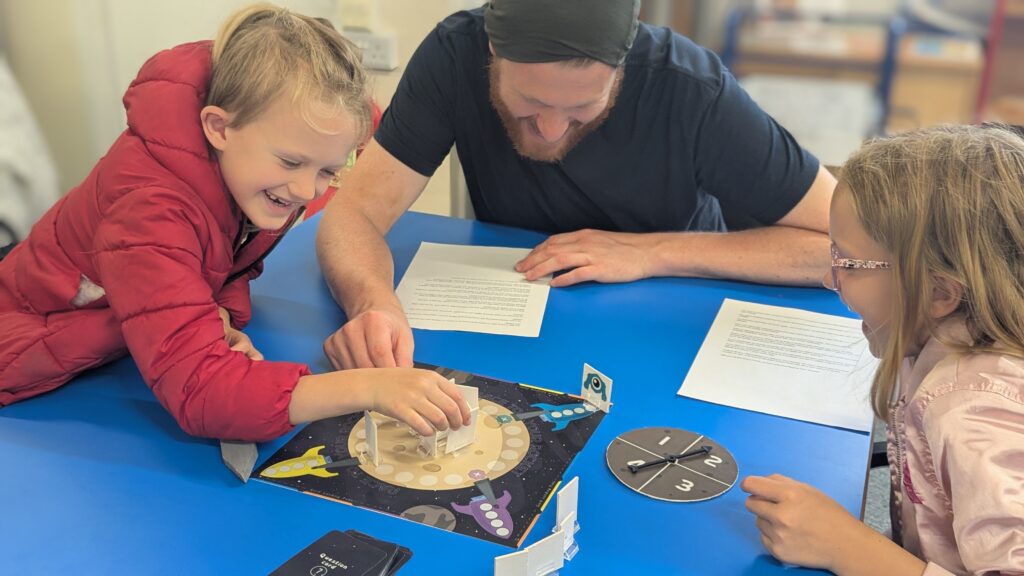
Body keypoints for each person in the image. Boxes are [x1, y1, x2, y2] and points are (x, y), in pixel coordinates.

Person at [0, 4, 470, 442]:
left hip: (113, 342)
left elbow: (219, 255)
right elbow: (202, 394)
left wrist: (217, 313)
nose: (308, 191)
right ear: (219, 127)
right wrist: (370, 387)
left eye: (328, 171)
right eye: (291, 162)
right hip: (25, 357)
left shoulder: (257, 170)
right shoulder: (148, 210)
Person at [315, 0, 836, 370]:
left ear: (622, 65)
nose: (550, 131)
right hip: (515, 316)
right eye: (530, 104)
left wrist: (650, 253)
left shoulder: (693, 90)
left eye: (583, 109)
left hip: (670, 318)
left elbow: (852, 252)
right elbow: (352, 214)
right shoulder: (453, 56)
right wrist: (371, 302)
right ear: (492, 49)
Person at [741, 124, 1024, 575]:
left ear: (939, 293)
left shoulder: (976, 414)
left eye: (848, 263)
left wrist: (847, 546)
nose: (828, 279)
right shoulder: (942, 338)